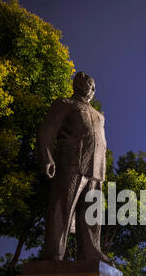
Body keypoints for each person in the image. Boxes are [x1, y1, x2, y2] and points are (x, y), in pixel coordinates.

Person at [37, 72, 109, 263]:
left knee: (92, 213)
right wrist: (47, 157)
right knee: (62, 207)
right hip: (72, 163)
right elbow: (47, 131)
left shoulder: (98, 116)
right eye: (89, 85)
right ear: (78, 84)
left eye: (94, 87)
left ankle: (91, 251)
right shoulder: (65, 105)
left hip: (96, 169)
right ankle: (54, 252)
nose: (92, 90)